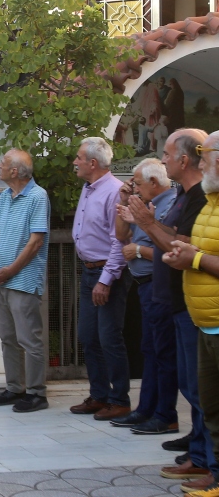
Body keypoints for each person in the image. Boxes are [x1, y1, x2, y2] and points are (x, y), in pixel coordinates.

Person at [126, 129, 217, 492]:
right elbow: (180, 239)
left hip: (199, 309)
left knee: (202, 391)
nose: (162, 160)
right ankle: (201, 454)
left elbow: (186, 246)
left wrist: (149, 226)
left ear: (185, 159)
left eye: (166, 154)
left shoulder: (202, 197)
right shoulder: (193, 197)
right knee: (195, 387)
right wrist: (145, 222)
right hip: (188, 304)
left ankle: (207, 460)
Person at [162, 130, 219, 497]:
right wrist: (184, 251)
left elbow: (201, 256)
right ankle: (215, 473)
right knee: (210, 407)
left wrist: (194, 258)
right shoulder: (210, 201)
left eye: (205, 156)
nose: (200, 163)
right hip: (204, 321)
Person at [113, 158, 179, 434]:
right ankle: (146, 409)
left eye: (138, 183)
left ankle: (165, 414)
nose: (135, 188)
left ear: (154, 182)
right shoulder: (144, 202)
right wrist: (124, 201)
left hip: (158, 284)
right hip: (144, 285)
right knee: (150, 349)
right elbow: (121, 234)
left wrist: (139, 251)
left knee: (163, 351)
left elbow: (174, 248)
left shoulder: (171, 204)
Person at [69, 137, 132, 421]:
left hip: (108, 272)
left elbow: (119, 240)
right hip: (89, 269)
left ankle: (119, 400)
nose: (75, 162)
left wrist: (105, 280)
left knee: (109, 338)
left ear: (93, 163)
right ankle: (99, 395)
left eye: (79, 158)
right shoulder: (89, 188)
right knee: (88, 336)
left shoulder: (114, 191)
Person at [0, 149, 50, 413]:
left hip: (22, 280)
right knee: (8, 338)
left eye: (2, 163)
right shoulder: (5, 196)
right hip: (1, 280)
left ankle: (36, 393)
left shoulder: (37, 196)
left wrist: (10, 270)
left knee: (29, 339)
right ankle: (15, 387)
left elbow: (36, 242)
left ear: (14, 170)